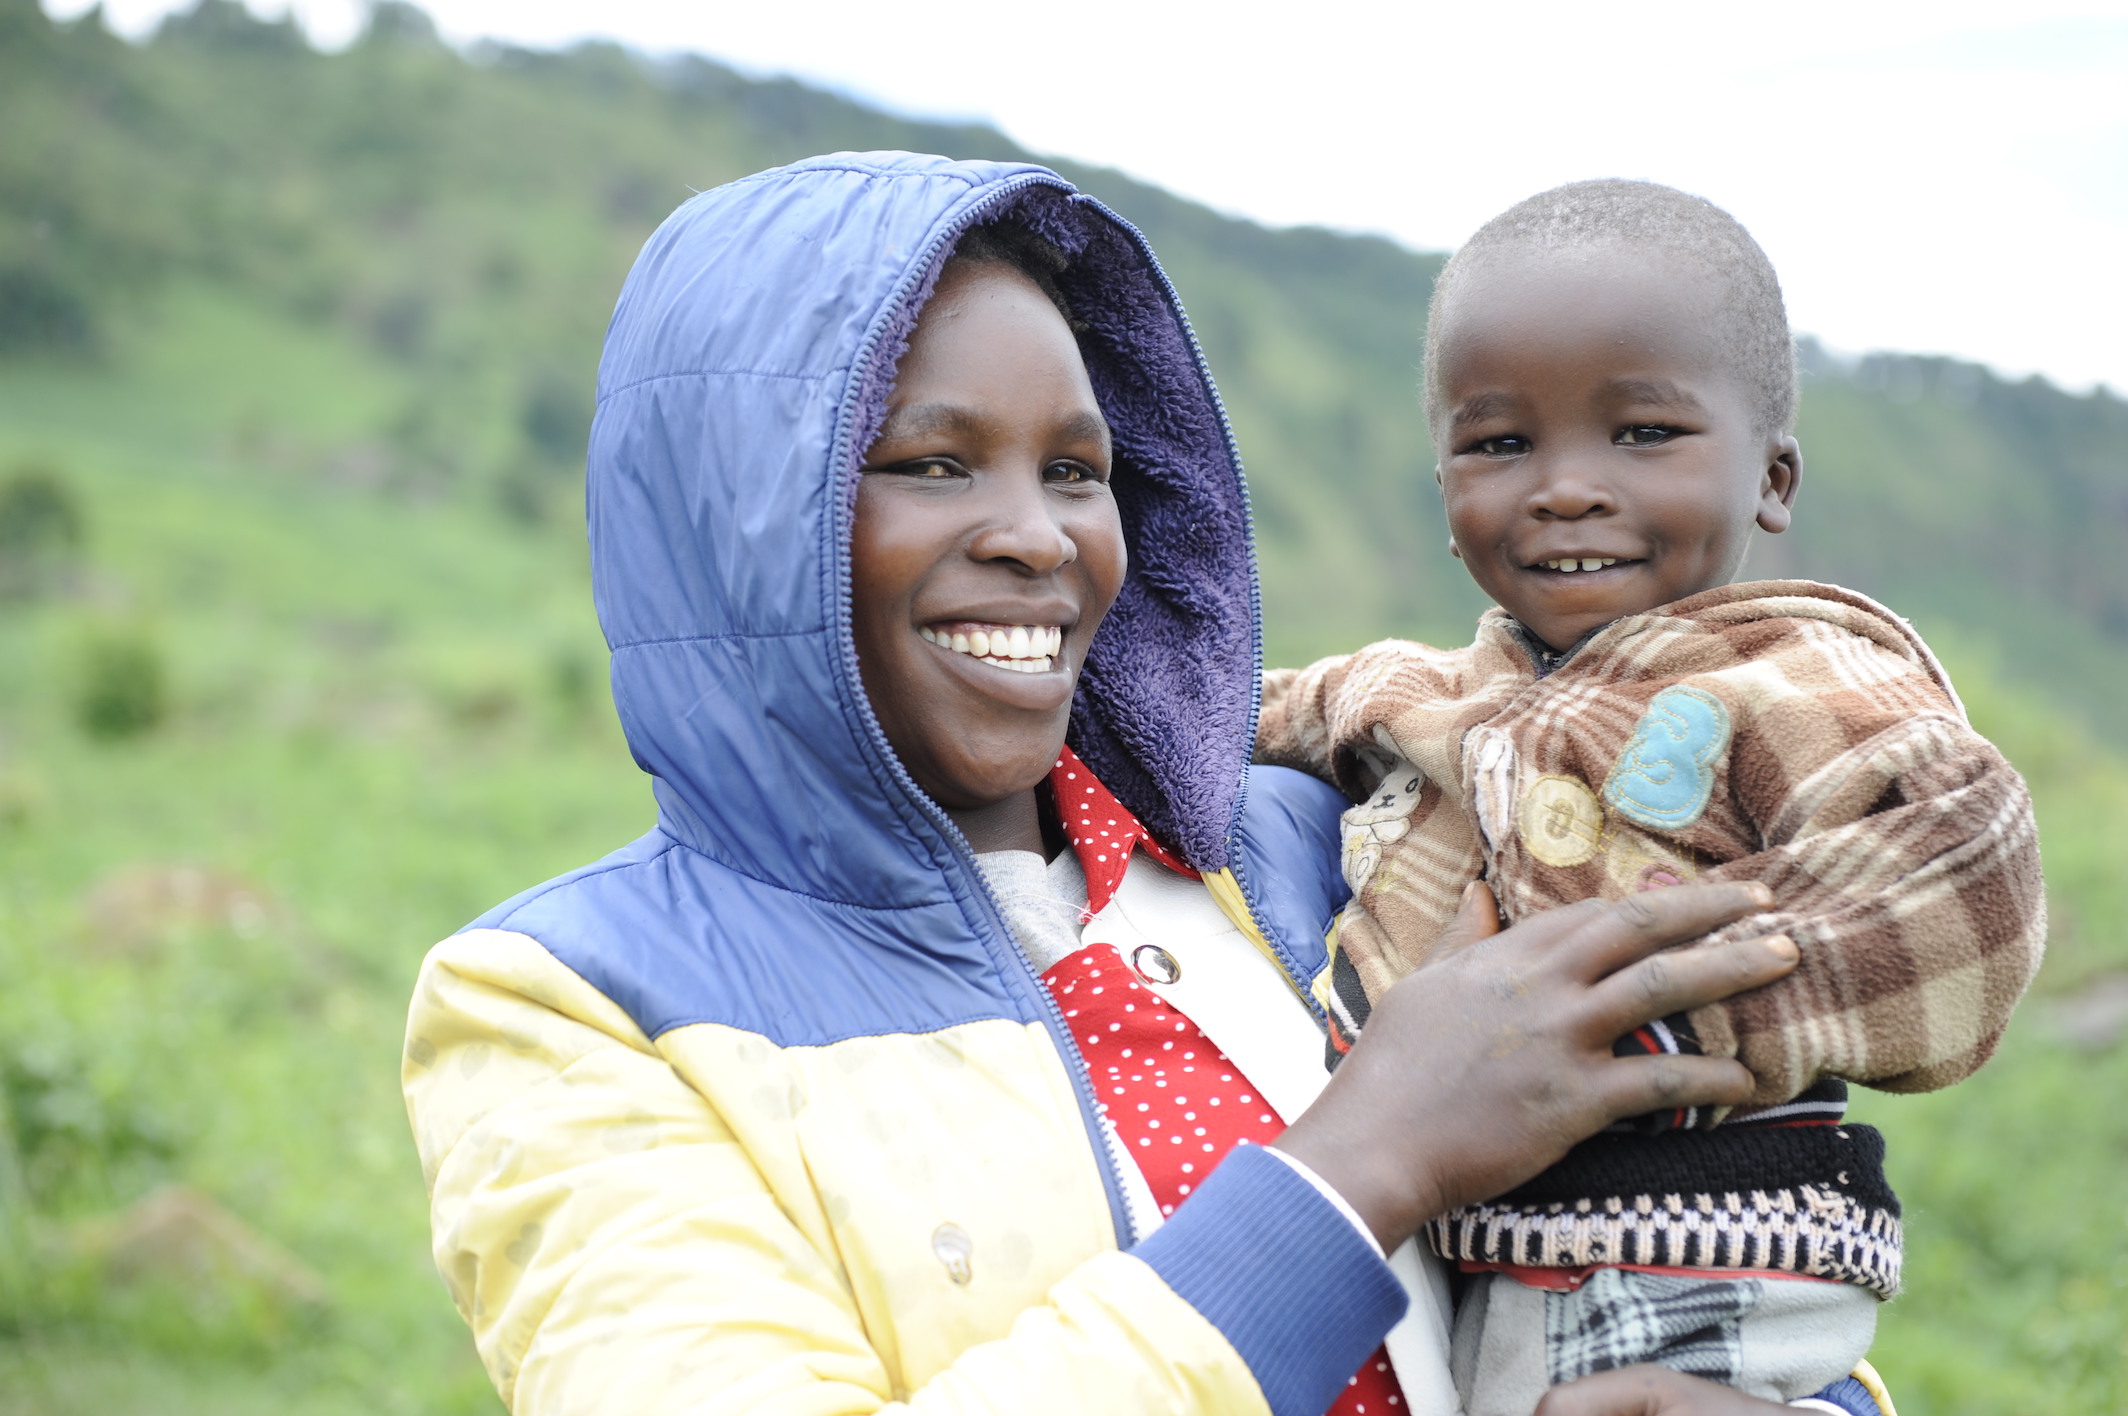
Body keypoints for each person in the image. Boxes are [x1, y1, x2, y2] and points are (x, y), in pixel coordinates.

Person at [401, 153, 1854, 1416]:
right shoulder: (569, 1012)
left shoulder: (1309, 841)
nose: (1039, 537)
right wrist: (1363, 1163)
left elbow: (1680, 1232)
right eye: (931, 463)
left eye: (1080, 472)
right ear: (740, 520)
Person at [1256, 180, 2046, 1415]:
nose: (1564, 488)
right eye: (1500, 443)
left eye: (1641, 435)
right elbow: (1252, 710)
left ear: (1772, 479)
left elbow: (1965, 878)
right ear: (1444, 489)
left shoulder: (1788, 677)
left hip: (1710, 1271)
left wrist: (1646, 1014)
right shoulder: (1443, 694)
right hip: (1489, 1267)